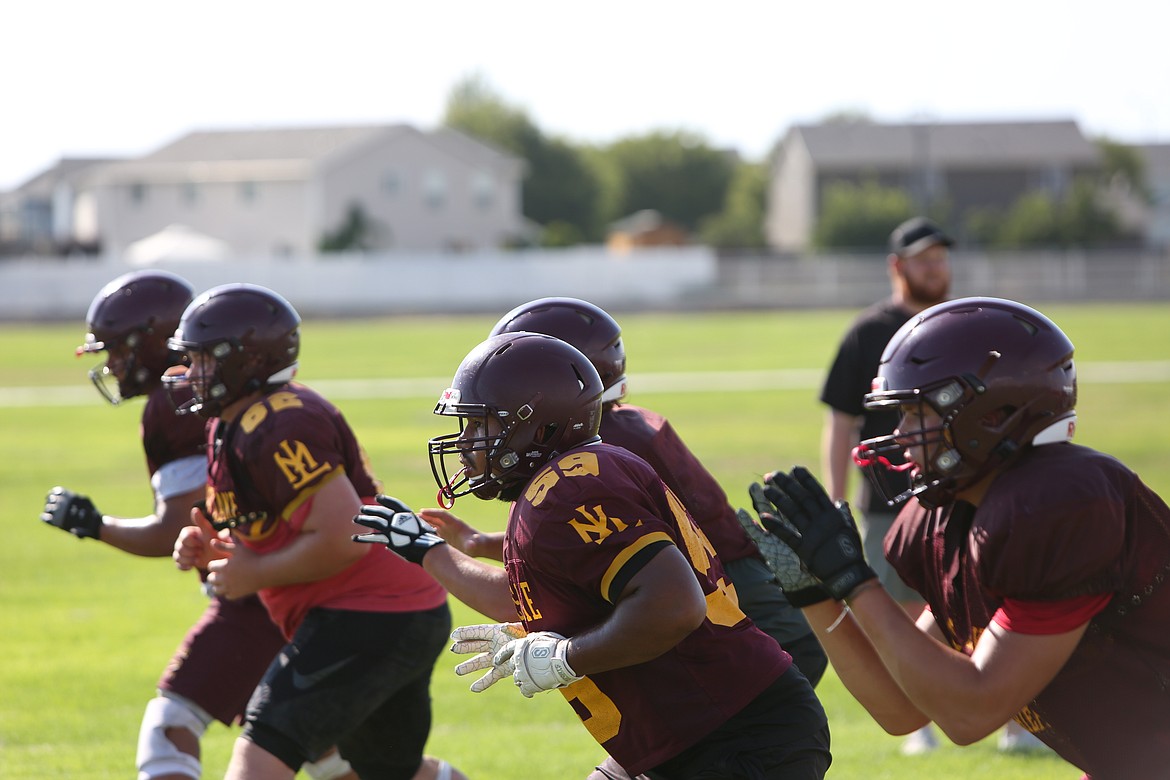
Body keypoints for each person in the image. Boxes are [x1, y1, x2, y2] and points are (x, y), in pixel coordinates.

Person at [354, 331, 831, 779]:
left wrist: (566, 657)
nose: (465, 442)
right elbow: (521, 600)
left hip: (734, 736)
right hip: (695, 732)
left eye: (481, 424)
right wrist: (427, 550)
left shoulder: (572, 488)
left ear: (537, 430)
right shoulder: (558, 484)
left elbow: (673, 605)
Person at [744, 297, 1170, 779]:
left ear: (991, 414)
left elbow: (972, 712)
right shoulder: (952, 516)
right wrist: (816, 594)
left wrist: (855, 581)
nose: (901, 435)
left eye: (915, 413)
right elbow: (902, 707)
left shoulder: (1059, 507)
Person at [417, 297, 826, 685]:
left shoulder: (592, 457)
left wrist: (447, 551)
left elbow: (565, 561)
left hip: (737, 607)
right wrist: (479, 542)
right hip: (711, 590)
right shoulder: (615, 432)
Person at [167, 283, 465, 780]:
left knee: (260, 755)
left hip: (369, 612)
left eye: (203, 360)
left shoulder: (282, 421)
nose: (190, 373)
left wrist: (254, 571)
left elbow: (345, 533)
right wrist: (215, 551)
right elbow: (279, 529)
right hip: (394, 611)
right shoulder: (233, 424)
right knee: (389, 773)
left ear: (244, 361)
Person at [38, 270, 295, 780]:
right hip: (299, 585)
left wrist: (95, 525)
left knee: (170, 727)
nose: (112, 364)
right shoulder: (239, 388)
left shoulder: (173, 401)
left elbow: (176, 530)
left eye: (117, 348)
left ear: (152, 341)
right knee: (351, 762)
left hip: (259, 593)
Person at [817, 215, 952, 754]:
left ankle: (1014, 722)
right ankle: (917, 723)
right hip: (887, 499)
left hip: (957, 494)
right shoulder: (869, 331)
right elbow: (842, 421)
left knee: (973, 600)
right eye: (924, 259)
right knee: (898, 608)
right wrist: (834, 497)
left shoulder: (957, 324)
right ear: (897, 266)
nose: (936, 268)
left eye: (941, 258)